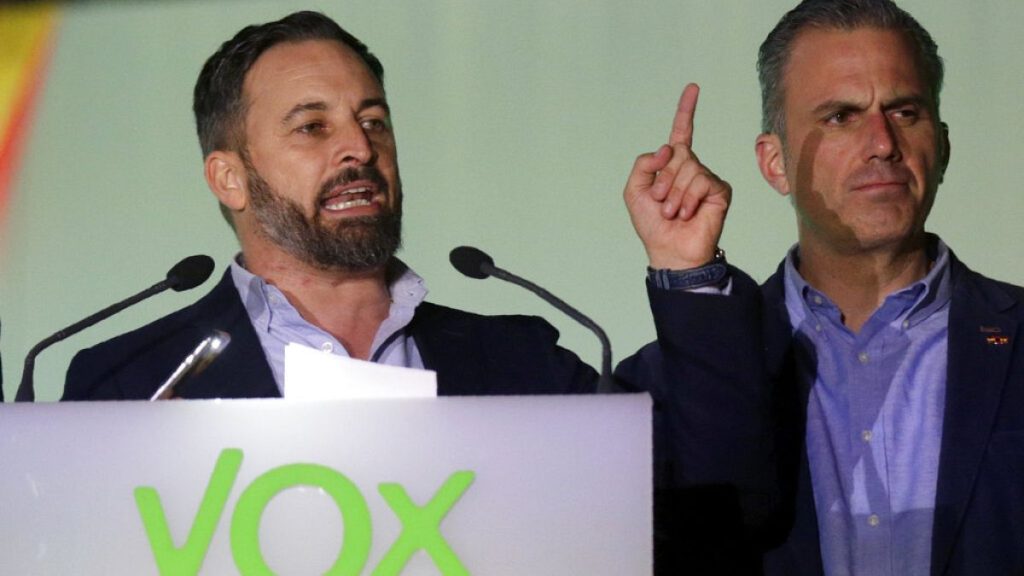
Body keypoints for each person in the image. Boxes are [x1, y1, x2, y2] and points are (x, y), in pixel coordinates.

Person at [63, 12, 773, 571]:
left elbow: (728, 508)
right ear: (229, 177)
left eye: (373, 121)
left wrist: (686, 269)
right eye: (314, 127)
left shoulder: (521, 364)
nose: (360, 150)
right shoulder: (126, 383)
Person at [623, 0, 1024, 573]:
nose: (883, 143)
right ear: (775, 163)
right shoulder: (671, 381)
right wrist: (689, 274)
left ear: (943, 145)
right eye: (841, 116)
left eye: (905, 112)